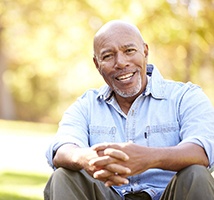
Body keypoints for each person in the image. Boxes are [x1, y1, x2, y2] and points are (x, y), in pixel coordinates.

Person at [44, 20, 214, 200]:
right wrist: (86, 158)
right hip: (109, 194)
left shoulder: (185, 96)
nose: (121, 62)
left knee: (197, 174)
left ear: (145, 51)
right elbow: (62, 149)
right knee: (63, 176)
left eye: (129, 51)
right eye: (108, 56)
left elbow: (203, 150)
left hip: (168, 194)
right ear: (97, 63)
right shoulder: (86, 105)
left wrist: (149, 158)